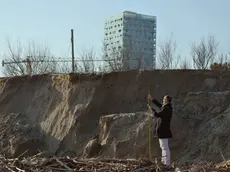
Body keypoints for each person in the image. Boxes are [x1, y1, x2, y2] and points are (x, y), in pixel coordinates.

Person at [148, 94, 173, 168]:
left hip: (163, 130)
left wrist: (152, 110)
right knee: (163, 147)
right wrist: (152, 99)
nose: (162, 100)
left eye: (164, 99)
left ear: (166, 100)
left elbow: (157, 114)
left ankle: (167, 164)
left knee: (164, 147)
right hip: (164, 130)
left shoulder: (166, 109)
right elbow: (160, 106)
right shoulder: (167, 107)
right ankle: (165, 162)